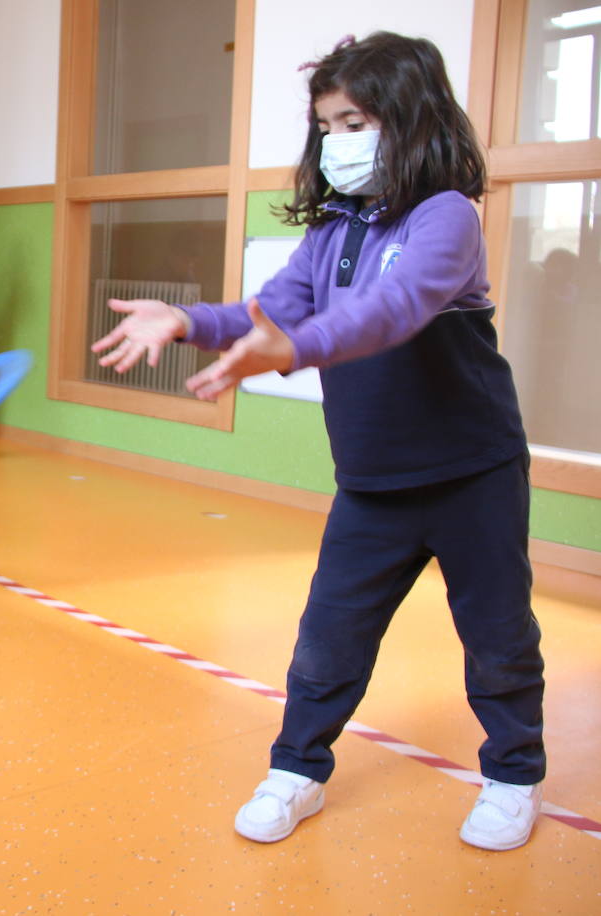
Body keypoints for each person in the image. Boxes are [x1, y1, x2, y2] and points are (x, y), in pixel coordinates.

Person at [93, 33, 545, 852]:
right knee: (328, 638)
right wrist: (190, 319)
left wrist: (294, 349)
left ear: (408, 120)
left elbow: (393, 308)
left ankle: (514, 775)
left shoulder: (447, 218)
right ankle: (297, 768)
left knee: (497, 636)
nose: (338, 141)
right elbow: (269, 312)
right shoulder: (333, 232)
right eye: (328, 126)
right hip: (373, 482)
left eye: (355, 121)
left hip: (471, 473)